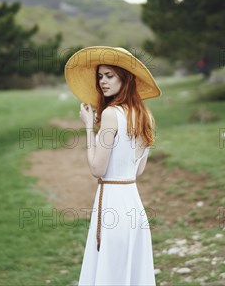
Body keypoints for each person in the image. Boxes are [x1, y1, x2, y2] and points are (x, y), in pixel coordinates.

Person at [64, 46, 162, 286]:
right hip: (133, 203)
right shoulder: (145, 116)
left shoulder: (110, 115)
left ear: (125, 78)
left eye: (109, 75)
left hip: (112, 204)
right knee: (129, 273)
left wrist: (89, 127)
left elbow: (97, 169)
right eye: (100, 76)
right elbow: (138, 171)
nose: (102, 82)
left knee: (111, 273)